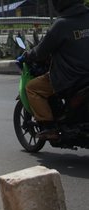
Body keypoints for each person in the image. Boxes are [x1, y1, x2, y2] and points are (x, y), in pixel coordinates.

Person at [25, 0, 89, 140]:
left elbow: (40, 52)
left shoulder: (61, 24)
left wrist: (28, 54)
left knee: (32, 87)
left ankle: (48, 127)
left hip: (71, 78)